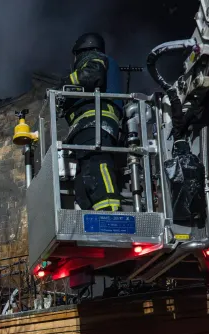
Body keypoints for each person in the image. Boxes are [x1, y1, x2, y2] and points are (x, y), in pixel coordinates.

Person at [62, 32, 124, 212]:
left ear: (81, 50)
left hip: (94, 122)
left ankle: (109, 213)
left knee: (97, 164)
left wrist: (64, 84)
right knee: (83, 181)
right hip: (88, 126)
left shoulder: (93, 57)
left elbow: (93, 75)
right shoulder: (102, 61)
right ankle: (91, 215)